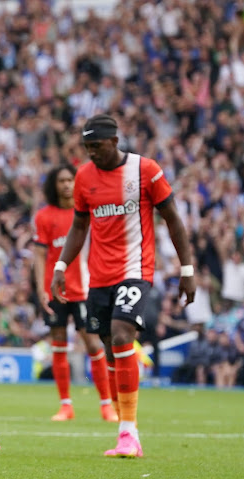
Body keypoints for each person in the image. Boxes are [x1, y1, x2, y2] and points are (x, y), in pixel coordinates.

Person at [51, 114, 196, 458]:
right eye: (87, 148)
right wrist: (61, 265)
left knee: (120, 335)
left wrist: (187, 268)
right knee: (108, 347)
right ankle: (122, 426)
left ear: (115, 142)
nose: (92, 154)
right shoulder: (85, 177)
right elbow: (79, 226)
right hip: (98, 276)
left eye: (97, 147)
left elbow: (173, 219)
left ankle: (129, 433)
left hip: (136, 268)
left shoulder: (145, 171)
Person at [32, 165, 117, 422]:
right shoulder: (44, 216)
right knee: (58, 344)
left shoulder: (87, 212)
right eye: (62, 180)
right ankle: (66, 406)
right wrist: (40, 288)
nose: (67, 185)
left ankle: (106, 405)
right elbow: (39, 254)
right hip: (55, 290)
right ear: (54, 185)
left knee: (93, 343)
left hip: (84, 289)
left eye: (71, 180)